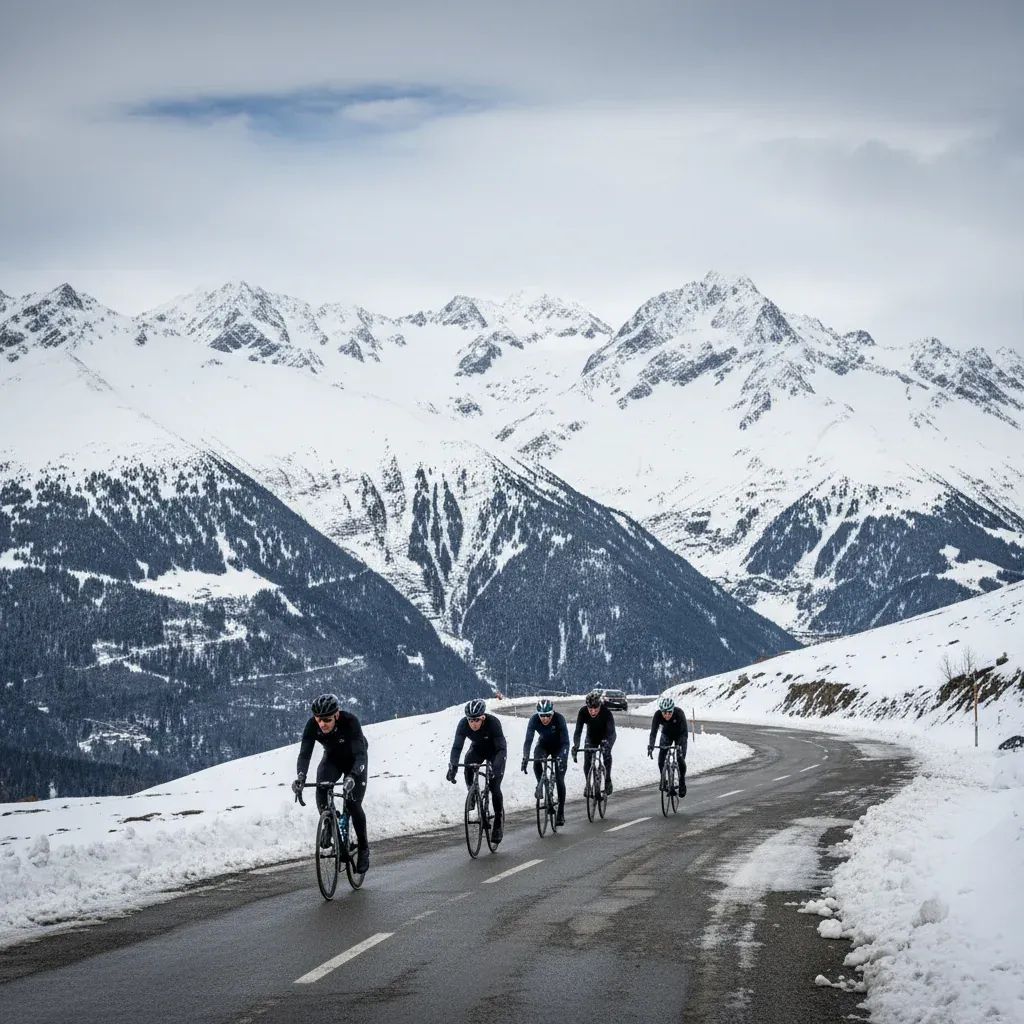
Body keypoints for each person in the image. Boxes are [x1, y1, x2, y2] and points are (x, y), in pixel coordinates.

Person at [291, 693, 370, 873]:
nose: (322, 724)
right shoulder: (312, 725)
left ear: (337, 715)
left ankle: (364, 848)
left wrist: (353, 776)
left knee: (353, 803)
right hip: (332, 759)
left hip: (355, 760)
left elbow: (360, 756)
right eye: (318, 719)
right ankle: (329, 823)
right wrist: (301, 777)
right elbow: (304, 754)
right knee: (322, 786)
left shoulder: (350, 722)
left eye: (327, 720)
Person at [447, 699, 507, 843]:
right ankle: (472, 793)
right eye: (470, 720)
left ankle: (498, 822)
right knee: (468, 764)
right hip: (478, 749)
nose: (473, 723)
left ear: (483, 717)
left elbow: (501, 749)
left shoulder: (493, 723)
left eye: (476, 720)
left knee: (494, 786)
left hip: (496, 752)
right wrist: (453, 767)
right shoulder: (463, 724)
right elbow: (457, 747)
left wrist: (495, 767)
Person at [521, 698, 570, 826]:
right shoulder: (534, 720)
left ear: (552, 713)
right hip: (544, 745)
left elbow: (566, 742)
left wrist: (563, 757)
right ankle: (541, 784)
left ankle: (560, 813)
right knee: (537, 760)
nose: (545, 719)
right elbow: (528, 740)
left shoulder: (559, 719)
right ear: (538, 714)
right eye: (542, 716)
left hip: (560, 747)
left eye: (548, 715)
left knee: (559, 779)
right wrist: (525, 756)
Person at [571, 689, 617, 794]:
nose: (593, 712)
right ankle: (588, 784)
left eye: (595, 709)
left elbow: (611, 731)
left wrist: (607, 743)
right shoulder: (583, 712)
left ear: (600, 706)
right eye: (590, 709)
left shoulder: (606, 712)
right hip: (591, 736)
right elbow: (578, 731)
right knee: (587, 759)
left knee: (606, 754)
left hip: (607, 735)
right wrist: (576, 745)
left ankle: (608, 781)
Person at [648, 695, 688, 797]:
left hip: (680, 735)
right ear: (661, 711)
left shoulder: (679, 713)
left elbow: (685, 732)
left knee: (680, 759)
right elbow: (653, 732)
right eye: (664, 712)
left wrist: (680, 747)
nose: (667, 715)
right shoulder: (657, 715)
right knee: (661, 759)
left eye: (669, 712)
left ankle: (682, 782)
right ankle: (664, 780)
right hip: (667, 734)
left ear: (673, 710)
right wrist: (651, 745)